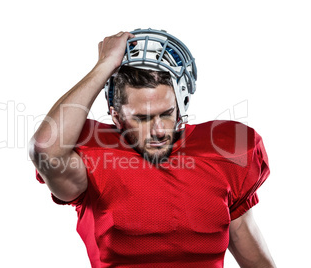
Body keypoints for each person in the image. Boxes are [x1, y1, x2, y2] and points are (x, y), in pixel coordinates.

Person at [29, 29, 276, 267]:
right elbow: (46, 149)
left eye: (166, 114)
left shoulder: (223, 153)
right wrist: (105, 65)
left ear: (182, 104)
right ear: (116, 117)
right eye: (142, 118)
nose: (158, 130)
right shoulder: (95, 160)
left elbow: (253, 258)